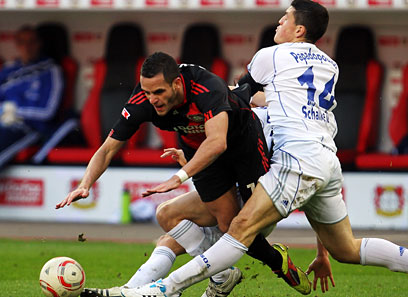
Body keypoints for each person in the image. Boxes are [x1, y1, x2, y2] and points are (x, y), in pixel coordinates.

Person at [121, 1, 408, 297]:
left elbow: (237, 99)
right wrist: (321, 250)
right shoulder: (329, 67)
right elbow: (278, 103)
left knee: (239, 227)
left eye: (285, 17)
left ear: (299, 29)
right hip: (326, 161)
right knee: (345, 248)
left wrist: (209, 107)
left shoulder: (269, 56)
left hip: (297, 159)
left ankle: (162, 289)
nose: (279, 22)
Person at [57, 52, 310, 296]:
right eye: (147, 92)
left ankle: (276, 262)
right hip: (201, 152)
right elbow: (108, 148)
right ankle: (223, 276)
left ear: (177, 84)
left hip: (242, 146)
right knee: (223, 223)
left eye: (159, 92)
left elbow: (218, 142)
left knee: (246, 227)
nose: (152, 99)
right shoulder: (142, 102)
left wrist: (179, 177)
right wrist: (85, 184)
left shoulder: (206, 87)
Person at [0, 25, 63, 169]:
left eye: (31, 42)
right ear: (16, 44)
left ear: (39, 44)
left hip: (28, 127)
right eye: (22, 42)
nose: (27, 47)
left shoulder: (50, 70)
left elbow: (48, 111)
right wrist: (3, 110)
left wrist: (14, 111)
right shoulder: (8, 70)